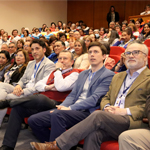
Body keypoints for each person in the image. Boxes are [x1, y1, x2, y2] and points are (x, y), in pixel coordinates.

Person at [35, 40, 150, 150]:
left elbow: (146, 108)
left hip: (132, 120)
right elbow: (106, 97)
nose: (130, 56)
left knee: (97, 115)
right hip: (112, 118)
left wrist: (125, 111)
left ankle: (58, 145)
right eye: (128, 53)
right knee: (93, 134)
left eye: (136, 53)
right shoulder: (118, 76)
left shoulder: (147, 78)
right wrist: (106, 107)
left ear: (145, 56)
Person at [28, 42, 115, 150]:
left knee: (58, 115)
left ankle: (56, 146)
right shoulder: (83, 73)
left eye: (96, 52)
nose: (92, 55)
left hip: (88, 112)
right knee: (34, 120)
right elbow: (73, 95)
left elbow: (95, 99)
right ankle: (63, 146)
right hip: (72, 109)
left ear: (104, 56)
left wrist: (69, 108)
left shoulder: (108, 75)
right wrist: (62, 107)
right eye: (90, 52)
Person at [0, 50, 82, 150]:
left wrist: (58, 71)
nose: (62, 61)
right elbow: (38, 85)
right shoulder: (53, 72)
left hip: (57, 104)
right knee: (18, 108)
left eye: (65, 58)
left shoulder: (75, 74)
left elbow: (61, 87)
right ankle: (8, 145)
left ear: (72, 62)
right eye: (60, 58)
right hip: (42, 103)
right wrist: (49, 87)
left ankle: (8, 102)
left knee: (41, 98)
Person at [0, 39, 55, 108]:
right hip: (22, 88)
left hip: (33, 93)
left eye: (37, 48)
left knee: (7, 97)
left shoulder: (49, 64)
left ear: (44, 50)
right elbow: (23, 78)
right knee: (1, 86)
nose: (34, 51)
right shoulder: (30, 63)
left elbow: (42, 85)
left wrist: (24, 91)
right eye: (32, 49)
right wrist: (18, 85)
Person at [0, 49, 29, 126]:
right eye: (16, 55)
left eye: (20, 55)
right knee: (3, 96)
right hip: (4, 88)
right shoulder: (11, 67)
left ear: (25, 58)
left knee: (1, 86)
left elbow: (21, 81)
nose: (18, 57)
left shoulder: (25, 68)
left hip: (15, 88)